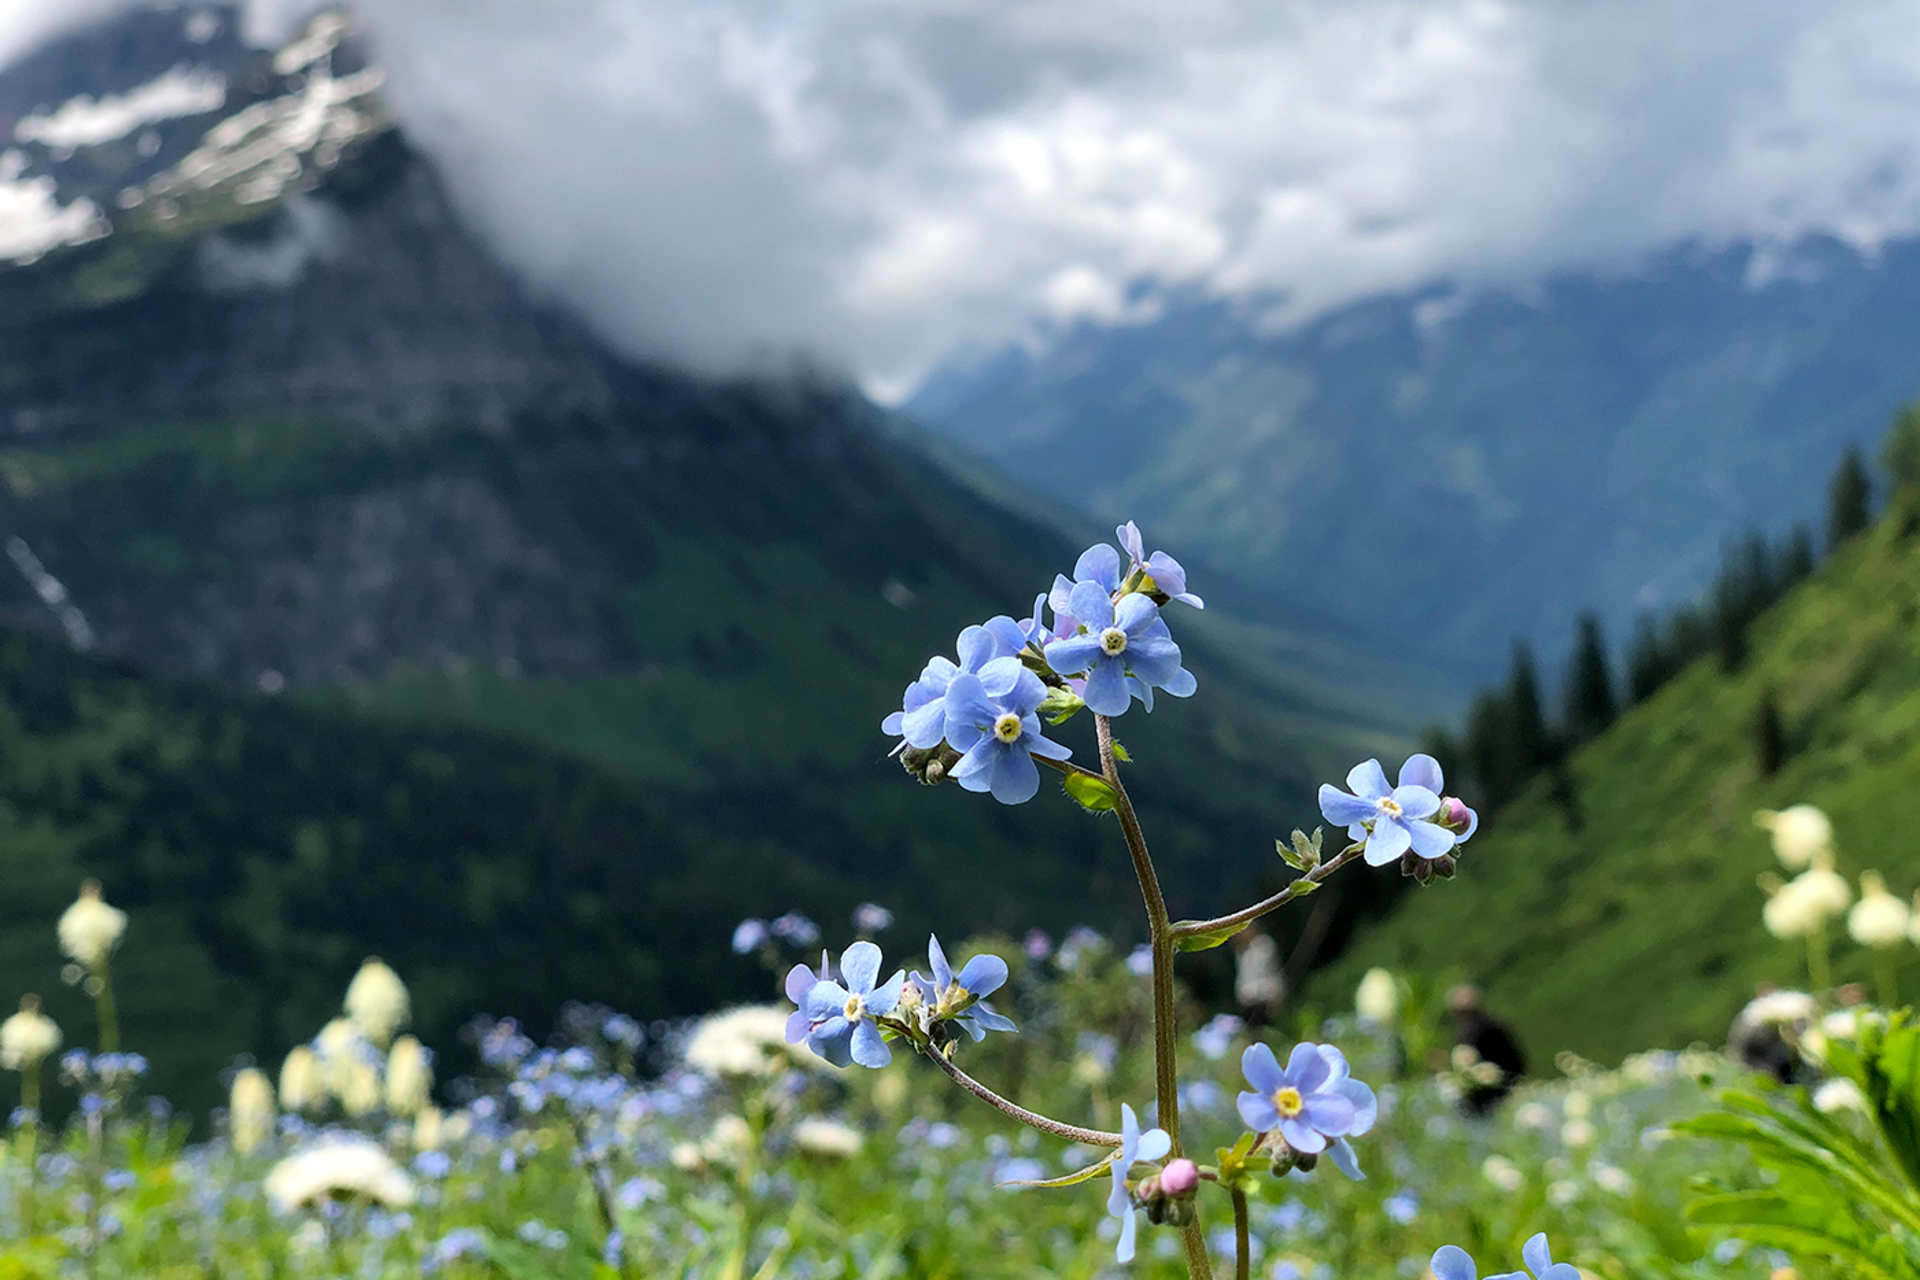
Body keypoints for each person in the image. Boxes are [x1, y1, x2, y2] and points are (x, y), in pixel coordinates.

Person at [1447, 985, 1527, 1115]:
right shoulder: (1496, 1024)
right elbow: (1518, 1059)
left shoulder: (1471, 1032)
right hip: (1507, 1086)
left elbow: (1468, 1064)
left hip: (1489, 1095)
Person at [1233, 931, 1283, 1027]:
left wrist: (1276, 994)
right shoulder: (1241, 950)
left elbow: (1272, 970)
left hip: (1263, 997)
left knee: (1265, 1029)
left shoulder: (1263, 945)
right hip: (1247, 1000)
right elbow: (1242, 976)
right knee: (1252, 1031)